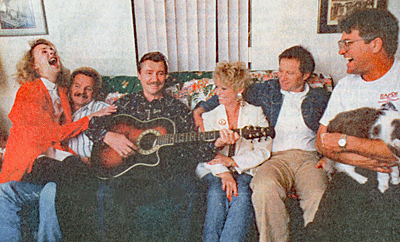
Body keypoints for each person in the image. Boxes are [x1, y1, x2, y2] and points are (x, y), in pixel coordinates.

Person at [56, 52, 228, 241]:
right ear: (139, 75)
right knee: (106, 192)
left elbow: (194, 149)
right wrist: (109, 136)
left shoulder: (178, 109)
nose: (155, 79)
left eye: (160, 73)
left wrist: (217, 142)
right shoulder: (125, 103)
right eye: (149, 73)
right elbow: (93, 125)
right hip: (129, 173)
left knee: (191, 189)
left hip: (165, 175)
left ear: (166, 76)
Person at [194, 46, 330, 242]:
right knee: (264, 188)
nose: (282, 77)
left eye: (290, 73)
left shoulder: (320, 97)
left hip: (307, 158)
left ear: (306, 75)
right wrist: (200, 110)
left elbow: (336, 125)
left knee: (318, 193)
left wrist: (328, 155)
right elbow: (229, 90)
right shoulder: (267, 89)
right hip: (274, 157)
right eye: (280, 70)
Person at [0, 39, 115, 241]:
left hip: (50, 155)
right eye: (44, 51)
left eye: (52, 49)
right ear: (34, 65)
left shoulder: (62, 92)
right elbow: (51, 134)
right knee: (76, 169)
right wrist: (90, 119)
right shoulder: (28, 91)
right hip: (31, 158)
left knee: (64, 182)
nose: (51, 52)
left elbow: (64, 134)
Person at [308, 9, 400, 241]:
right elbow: (321, 141)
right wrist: (358, 159)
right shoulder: (346, 86)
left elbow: (396, 153)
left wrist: (345, 142)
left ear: (376, 44)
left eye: (347, 43)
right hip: (349, 181)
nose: (341, 51)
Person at [196, 61, 272, 241]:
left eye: (224, 89)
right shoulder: (210, 116)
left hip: (245, 168)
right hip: (213, 168)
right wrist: (224, 173)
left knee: (242, 193)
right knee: (216, 192)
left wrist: (233, 163)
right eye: (217, 87)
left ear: (239, 90)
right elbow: (202, 151)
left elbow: (264, 151)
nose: (217, 93)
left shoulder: (255, 113)